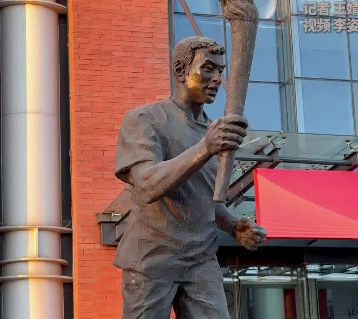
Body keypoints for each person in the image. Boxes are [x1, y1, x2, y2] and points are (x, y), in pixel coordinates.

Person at [114, 36, 267, 319]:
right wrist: (206, 148)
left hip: (200, 259)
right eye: (208, 68)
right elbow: (147, 185)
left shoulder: (214, 133)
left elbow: (205, 199)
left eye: (220, 71)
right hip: (152, 258)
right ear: (181, 71)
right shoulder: (146, 119)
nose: (217, 79)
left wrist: (233, 225)